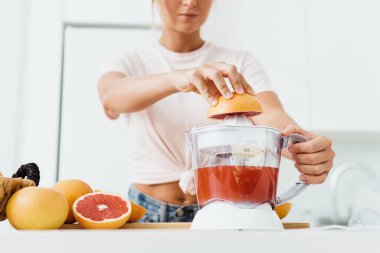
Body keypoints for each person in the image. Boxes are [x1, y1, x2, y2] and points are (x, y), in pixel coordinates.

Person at [97, 0, 335, 222]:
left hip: (224, 212)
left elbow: (269, 115)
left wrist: (305, 148)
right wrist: (177, 78)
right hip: (147, 211)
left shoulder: (238, 62)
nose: (190, 2)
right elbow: (111, 97)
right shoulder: (128, 61)